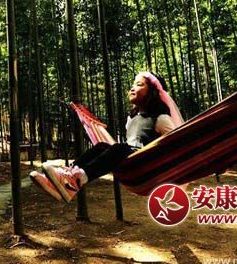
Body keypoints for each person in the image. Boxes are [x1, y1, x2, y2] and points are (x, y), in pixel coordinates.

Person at [30, 71, 184, 202]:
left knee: (120, 147)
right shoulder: (132, 118)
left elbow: (176, 143)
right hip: (129, 161)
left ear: (153, 92)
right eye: (133, 84)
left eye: (139, 84)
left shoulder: (161, 118)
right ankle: (68, 178)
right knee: (102, 146)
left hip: (145, 166)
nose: (132, 87)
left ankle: (79, 178)